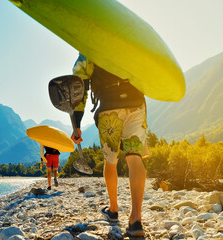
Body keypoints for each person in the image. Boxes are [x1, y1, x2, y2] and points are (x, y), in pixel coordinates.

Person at [71, 53, 148, 237]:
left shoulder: (89, 45)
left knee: (110, 160)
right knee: (134, 157)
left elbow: (78, 86)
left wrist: (77, 123)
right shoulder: (129, 37)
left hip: (109, 106)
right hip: (135, 102)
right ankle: (136, 219)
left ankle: (113, 210)